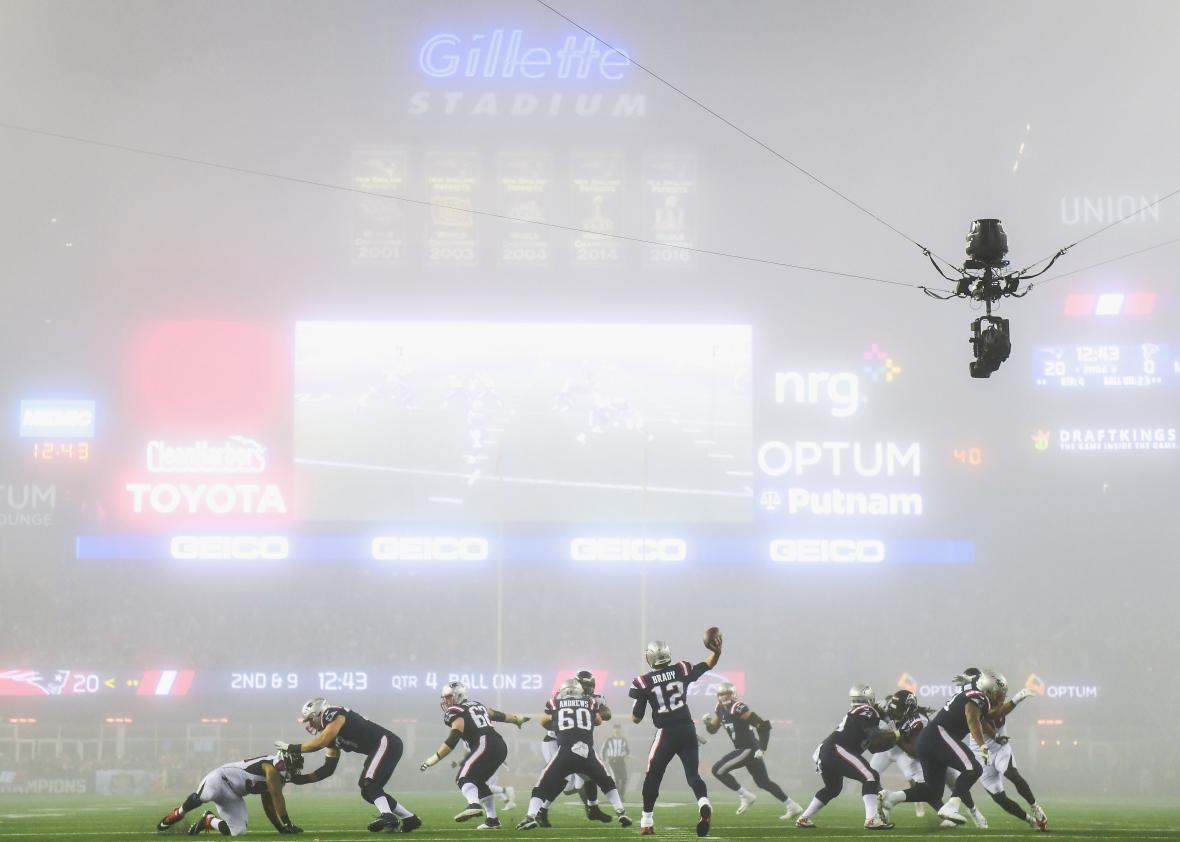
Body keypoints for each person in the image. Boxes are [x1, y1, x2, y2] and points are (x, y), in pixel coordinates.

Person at [878, 669, 1008, 826]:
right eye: (1000, 692)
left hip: (928, 741)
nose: (1001, 696)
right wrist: (983, 746)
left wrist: (995, 735)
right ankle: (952, 806)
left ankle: (892, 798)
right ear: (989, 689)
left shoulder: (973, 695)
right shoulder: (979, 697)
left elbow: (984, 719)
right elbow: (973, 720)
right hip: (939, 735)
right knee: (974, 768)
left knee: (933, 792)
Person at [275, 698, 420, 833]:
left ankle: (388, 816)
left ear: (318, 713)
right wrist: (301, 780)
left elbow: (321, 741)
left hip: (386, 742)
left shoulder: (331, 713)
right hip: (383, 747)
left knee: (368, 783)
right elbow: (328, 769)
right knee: (368, 790)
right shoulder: (330, 735)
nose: (310, 724)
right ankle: (410, 819)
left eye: (310, 720)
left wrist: (291, 747)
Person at [629, 634, 722, 837]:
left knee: (653, 777)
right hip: (688, 729)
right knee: (693, 775)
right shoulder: (681, 669)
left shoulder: (643, 682)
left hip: (667, 733)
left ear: (650, 658)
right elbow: (708, 664)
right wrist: (716, 651)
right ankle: (703, 803)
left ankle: (646, 821)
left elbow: (636, 718)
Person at [516, 679, 632, 829]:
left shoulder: (554, 703)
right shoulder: (590, 702)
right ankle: (621, 812)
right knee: (606, 781)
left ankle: (530, 815)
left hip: (565, 751)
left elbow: (543, 721)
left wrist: (559, 726)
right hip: (586, 752)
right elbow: (598, 720)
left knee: (542, 783)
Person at [419, 680, 529, 830]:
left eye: (448, 696)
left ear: (457, 695)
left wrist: (433, 759)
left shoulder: (456, 711)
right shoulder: (477, 704)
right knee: (478, 782)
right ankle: (492, 820)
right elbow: (497, 715)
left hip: (485, 744)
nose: (445, 700)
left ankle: (473, 804)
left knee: (463, 778)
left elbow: (452, 740)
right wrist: (517, 720)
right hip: (500, 745)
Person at [795, 684, 894, 830]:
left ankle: (804, 818)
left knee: (833, 788)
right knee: (870, 776)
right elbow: (874, 734)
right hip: (837, 749)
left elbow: (874, 747)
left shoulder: (858, 712)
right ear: (869, 698)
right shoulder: (867, 710)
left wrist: (892, 737)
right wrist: (895, 732)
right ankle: (871, 820)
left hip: (828, 751)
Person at [703, 682, 802, 819]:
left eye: (727, 693)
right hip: (746, 749)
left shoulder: (738, 708)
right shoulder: (720, 709)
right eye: (721, 694)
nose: (724, 696)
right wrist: (707, 724)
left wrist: (762, 747)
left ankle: (745, 796)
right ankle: (792, 805)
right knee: (763, 782)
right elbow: (713, 730)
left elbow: (763, 725)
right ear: (717, 696)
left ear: (733, 694)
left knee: (717, 770)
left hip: (748, 749)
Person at [154, 749, 311, 836]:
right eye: (292, 766)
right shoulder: (270, 769)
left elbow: (268, 803)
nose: (294, 770)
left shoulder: (277, 777)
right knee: (205, 795)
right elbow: (277, 796)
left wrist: (280, 829)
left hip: (234, 796)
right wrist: (288, 824)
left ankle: (208, 820)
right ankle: (178, 813)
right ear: (284, 760)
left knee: (238, 832)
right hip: (220, 779)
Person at [869, 690, 930, 819]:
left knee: (913, 776)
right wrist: (877, 711)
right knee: (870, 775)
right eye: (891, 708)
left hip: (900, 750)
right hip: (886, 750)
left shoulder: (907, 715)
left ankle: (917, 801)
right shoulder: (882, 710)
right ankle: (882, 801)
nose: (894, 712)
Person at [601, 724, 631, 800]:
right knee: (616, 779)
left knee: (624, 778)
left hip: (621, 761)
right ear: (613, 730)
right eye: (615, 729)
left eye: (618, 728)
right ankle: (618, 796)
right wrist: (604, 760)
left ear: (620, 730)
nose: (617, 730)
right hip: (612, 761)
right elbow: (603, 750)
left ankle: (621, 795)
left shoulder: (623, 740)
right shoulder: (609, 740)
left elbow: (627, 750)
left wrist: (627, 755)